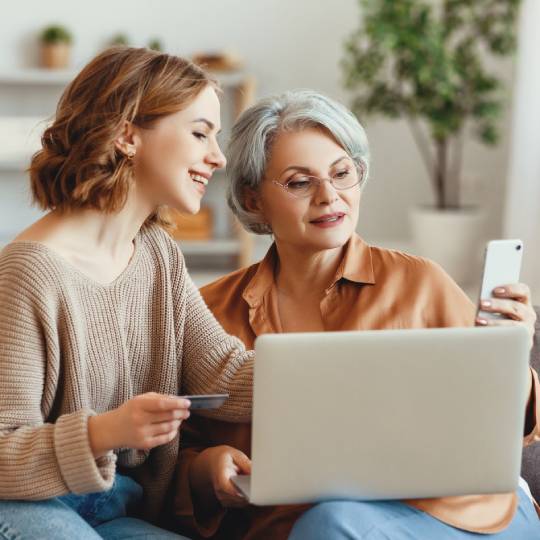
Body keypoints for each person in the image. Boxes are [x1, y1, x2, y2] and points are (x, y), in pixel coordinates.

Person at [172, 90, 540, 539]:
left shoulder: (421, 283)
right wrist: (203, 471)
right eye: (299, 182)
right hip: (297, 525)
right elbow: (174, 451)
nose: (330, 197)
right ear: (253, 200)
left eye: (343, 174)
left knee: (333, 523)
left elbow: (506, 427)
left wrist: (509, 357)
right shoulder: (208, 312)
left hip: (458, 516)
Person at [0, 47, 255, 539]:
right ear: (127, 134)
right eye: (200, 133)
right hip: (24, 504)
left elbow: (225, 372)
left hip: (117, 511)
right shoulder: (28, 272)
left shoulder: (159, 255)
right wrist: (105, 433)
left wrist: (329, 368)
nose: (218, 157)